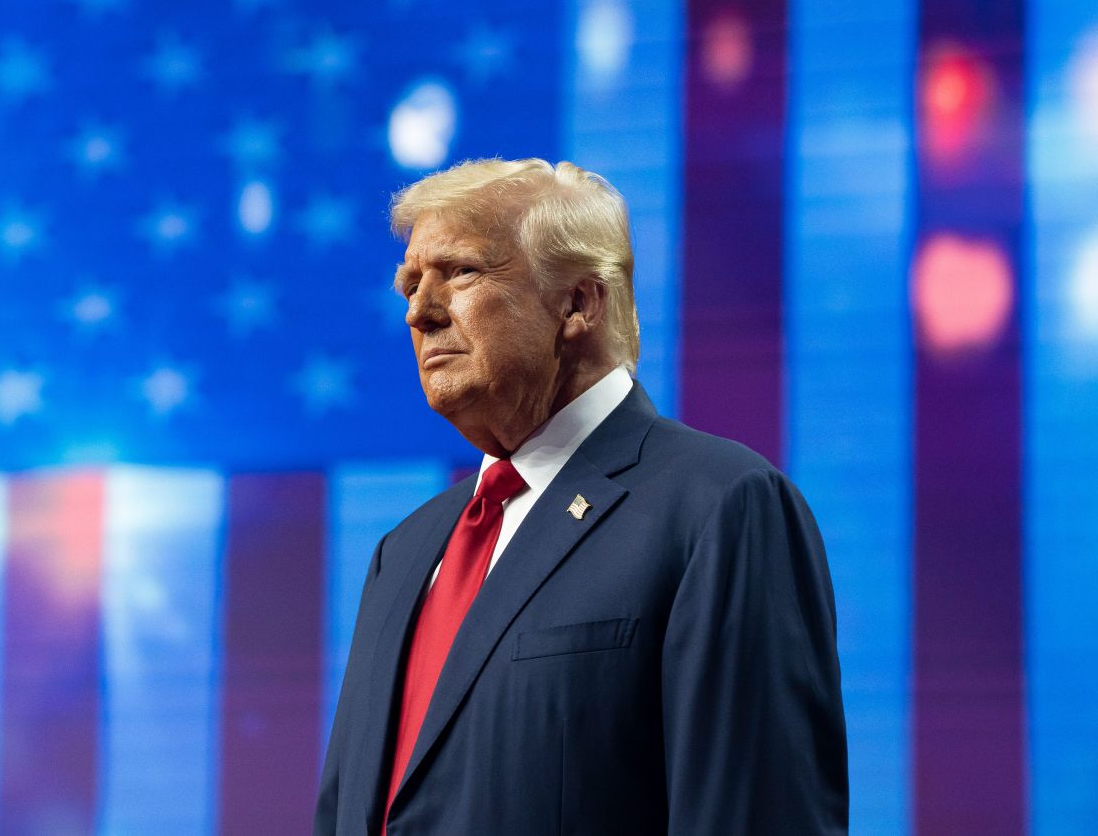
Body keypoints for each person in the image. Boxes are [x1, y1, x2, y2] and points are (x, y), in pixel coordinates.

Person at [315, 159, 848, 835]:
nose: (419, 310)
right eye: (411, 283)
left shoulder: (717, 508)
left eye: (461, 271)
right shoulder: (405, 552)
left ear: (578, 303)